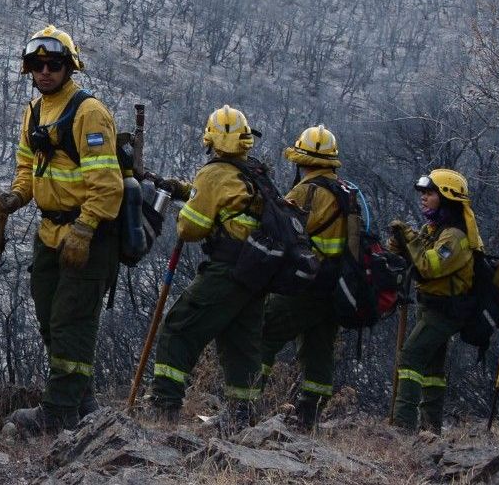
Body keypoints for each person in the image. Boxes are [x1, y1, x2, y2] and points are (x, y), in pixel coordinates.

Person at [0, 26, 121, 434]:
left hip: (87, 233)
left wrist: (84, 230)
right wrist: (15, 196)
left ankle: (59, 411)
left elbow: (108, 185)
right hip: (48, 233)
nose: (45, 72)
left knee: (72, 321)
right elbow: (27, 170)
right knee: (50, 318)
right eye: (37, 66)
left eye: (54, 65)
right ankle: (82, 403)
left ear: (70, 66)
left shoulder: (89, 113)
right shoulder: (33, 112)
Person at [146, 107, 270, 427]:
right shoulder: (253, 173)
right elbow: (225, 198)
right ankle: (241, 417)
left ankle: (164, 405)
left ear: (210, 140)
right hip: (256, 274)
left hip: (227, 269)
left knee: (179, 327)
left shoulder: (213, 172)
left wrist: (187, 207)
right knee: (240, 342)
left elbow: (191, 228)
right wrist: (189, 190)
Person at [256, 126, 350, 430]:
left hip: (305, 284)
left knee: (263, 333)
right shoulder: (347, 191)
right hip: (335, 287)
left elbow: (282, 231)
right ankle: (310, 416)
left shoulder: (307, 192)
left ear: (301, 159)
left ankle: (244, 400)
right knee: (318, 349)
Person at [388, 169, 481, 432]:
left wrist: (409, 239)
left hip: (444, 310)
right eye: (423, 194)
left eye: (430, 193)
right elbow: (416, 260)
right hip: (429, 305)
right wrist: (401, 246)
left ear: (447, 198)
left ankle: (403, 427)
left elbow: (429, 266)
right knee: (432, 371)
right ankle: (431, 430)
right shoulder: (435, 229)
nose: (424, 198)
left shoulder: (455, 237)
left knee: (410, 357)